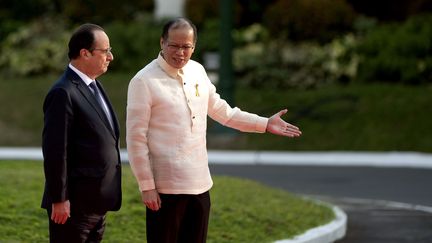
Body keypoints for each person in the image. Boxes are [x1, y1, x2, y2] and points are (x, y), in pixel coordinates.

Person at [126, 17, 301, 243]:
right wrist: (146, 186)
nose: (180, 53)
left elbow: (223, 112)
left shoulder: (197, 70)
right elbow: (136, 138)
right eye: (174, 46)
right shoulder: (143, 81)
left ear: (194, 47)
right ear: (162, 43)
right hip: (165, 189)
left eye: (186, 47)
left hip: (199, 184)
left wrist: (265, 123)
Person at [41, 23, 122, 243]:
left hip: (96, 204)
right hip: (73, 206)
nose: (110, 57)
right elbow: (56, 151)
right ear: (84, 53)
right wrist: (59, 199)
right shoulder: (63, 92)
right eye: (105, 51)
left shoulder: (94, 86)